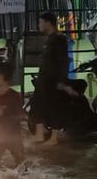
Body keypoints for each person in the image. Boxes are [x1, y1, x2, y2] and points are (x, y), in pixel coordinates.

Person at [29, 11, 79, 144]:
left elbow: (62, 61)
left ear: (48, 23)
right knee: (37, 107)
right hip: (44, 80)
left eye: (40, 22)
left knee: (54, 108)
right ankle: (40, 135)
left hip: (53, 81)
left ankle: (53, 138)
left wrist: (61, 82)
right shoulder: (51, 39)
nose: (39, 25)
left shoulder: (59, 39)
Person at [0, 59, 25, 169]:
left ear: (0, 76)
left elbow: (20, 115)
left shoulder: (13, 96)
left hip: (12, 136)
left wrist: (4, 117)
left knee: (21, 163)